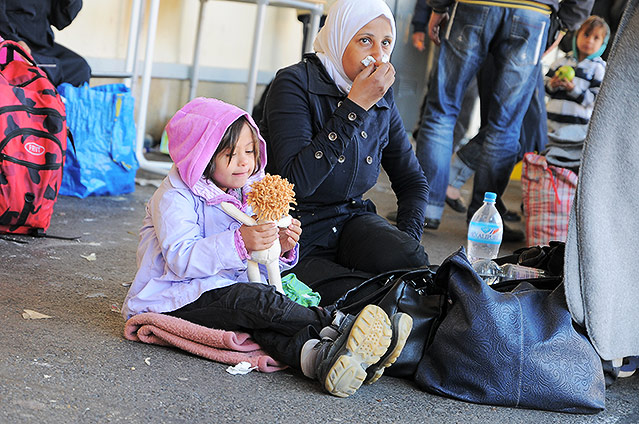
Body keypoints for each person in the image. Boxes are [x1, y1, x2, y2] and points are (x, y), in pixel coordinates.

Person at [121, 97, 412, 398]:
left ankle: (319, 359)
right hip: (177, 294)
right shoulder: (174, 196)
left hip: (227, 286)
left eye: (249, 151)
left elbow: (256, 261)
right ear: (201, 156)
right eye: (230, 154)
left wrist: (281, 246)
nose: (245, 162)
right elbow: (181, 259)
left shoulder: (246, 191)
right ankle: (340, 326)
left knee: (263, 318)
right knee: (261, 303)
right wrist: (240, 242)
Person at [260, 0, 430, 306]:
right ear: (340, 37)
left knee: (413, 268)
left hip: (350, 220)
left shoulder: (381, 96)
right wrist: (354, 107)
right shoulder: (294, 83)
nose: (378, 56)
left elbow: (412, 181)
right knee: (367, 294)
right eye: (365, 41)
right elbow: (293, 184)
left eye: (386, 43)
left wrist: (405, 244)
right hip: (296, 233)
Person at [414, 0, 594, 235]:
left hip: (473, 5)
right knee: (505, 127)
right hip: (533, 10)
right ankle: (484, 222)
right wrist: (564, 23)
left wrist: (438, 6)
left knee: (441, 112)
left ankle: (425, 210)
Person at [0, 0, 91, 87]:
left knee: (79, 68)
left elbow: (61, 20)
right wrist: (12, 39)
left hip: (42, 44)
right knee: (33, 68)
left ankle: (61, 102)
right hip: (11, 43)